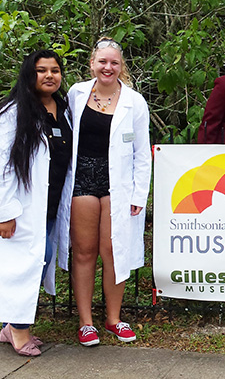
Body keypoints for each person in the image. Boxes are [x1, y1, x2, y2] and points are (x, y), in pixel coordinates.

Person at [67, 37, 151, 346]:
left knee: (114, 252)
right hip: (81, 183)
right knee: (85, 252)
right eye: (102, 61)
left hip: (118, 185)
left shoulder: (134, 101)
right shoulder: (76, 94)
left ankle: (114, 318)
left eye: (114, 62)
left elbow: (143, 154)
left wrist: (138, 195)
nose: (108, 67)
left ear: (121, 67)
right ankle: (86, 322)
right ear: (92, 64)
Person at [0, 50, 72, 357]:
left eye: (55, 70)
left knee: (38, 262)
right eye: (41, 70)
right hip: (24, 208)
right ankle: (18, 330)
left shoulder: (63, 108)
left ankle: (8, 326)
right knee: (25, 265)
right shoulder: (14, 112)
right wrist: (5, 212)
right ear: (30, 74)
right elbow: (2, 164)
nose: (49, 76)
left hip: (51, 204)